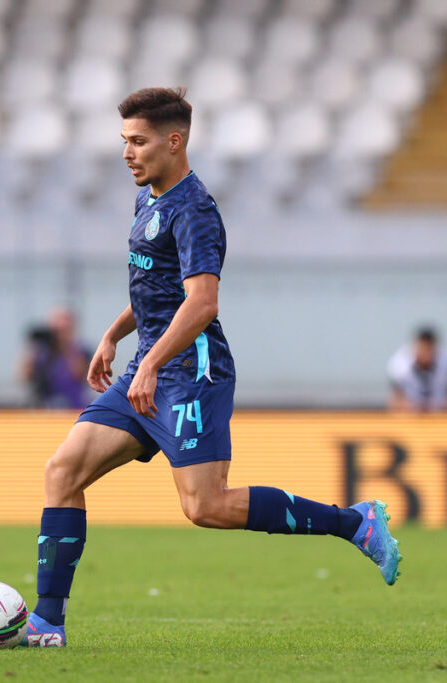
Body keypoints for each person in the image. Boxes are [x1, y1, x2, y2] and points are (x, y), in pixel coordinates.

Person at [21, 88, 402, 648]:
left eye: (138, 141)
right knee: (63, 472)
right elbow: (157, 288)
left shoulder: (195, 210)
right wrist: (112, 335)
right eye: (124, 141)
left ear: (174, 142)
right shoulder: (148, 199)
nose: (127, 153)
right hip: (147, 369)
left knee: (208, 507)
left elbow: (202, 303)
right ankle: (46, 623)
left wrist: (150, 362)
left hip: (191, 375)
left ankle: (355, 522)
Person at [20, 308, 92, 409]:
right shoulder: (42, 352)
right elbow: (25, 376)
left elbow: (79, 375)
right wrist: (33, 347)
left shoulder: (81, 350)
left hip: (74, 407)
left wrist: (65, 346)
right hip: (45, 407)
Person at [387, 326, 447, 412]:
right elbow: (395, 402)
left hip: (440, 417)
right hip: (409, 418)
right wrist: (414, 406)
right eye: (422, 348)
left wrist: (435, 406)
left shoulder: (444, 362)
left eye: (428, 349)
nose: (425, 353)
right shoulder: (400, 365)